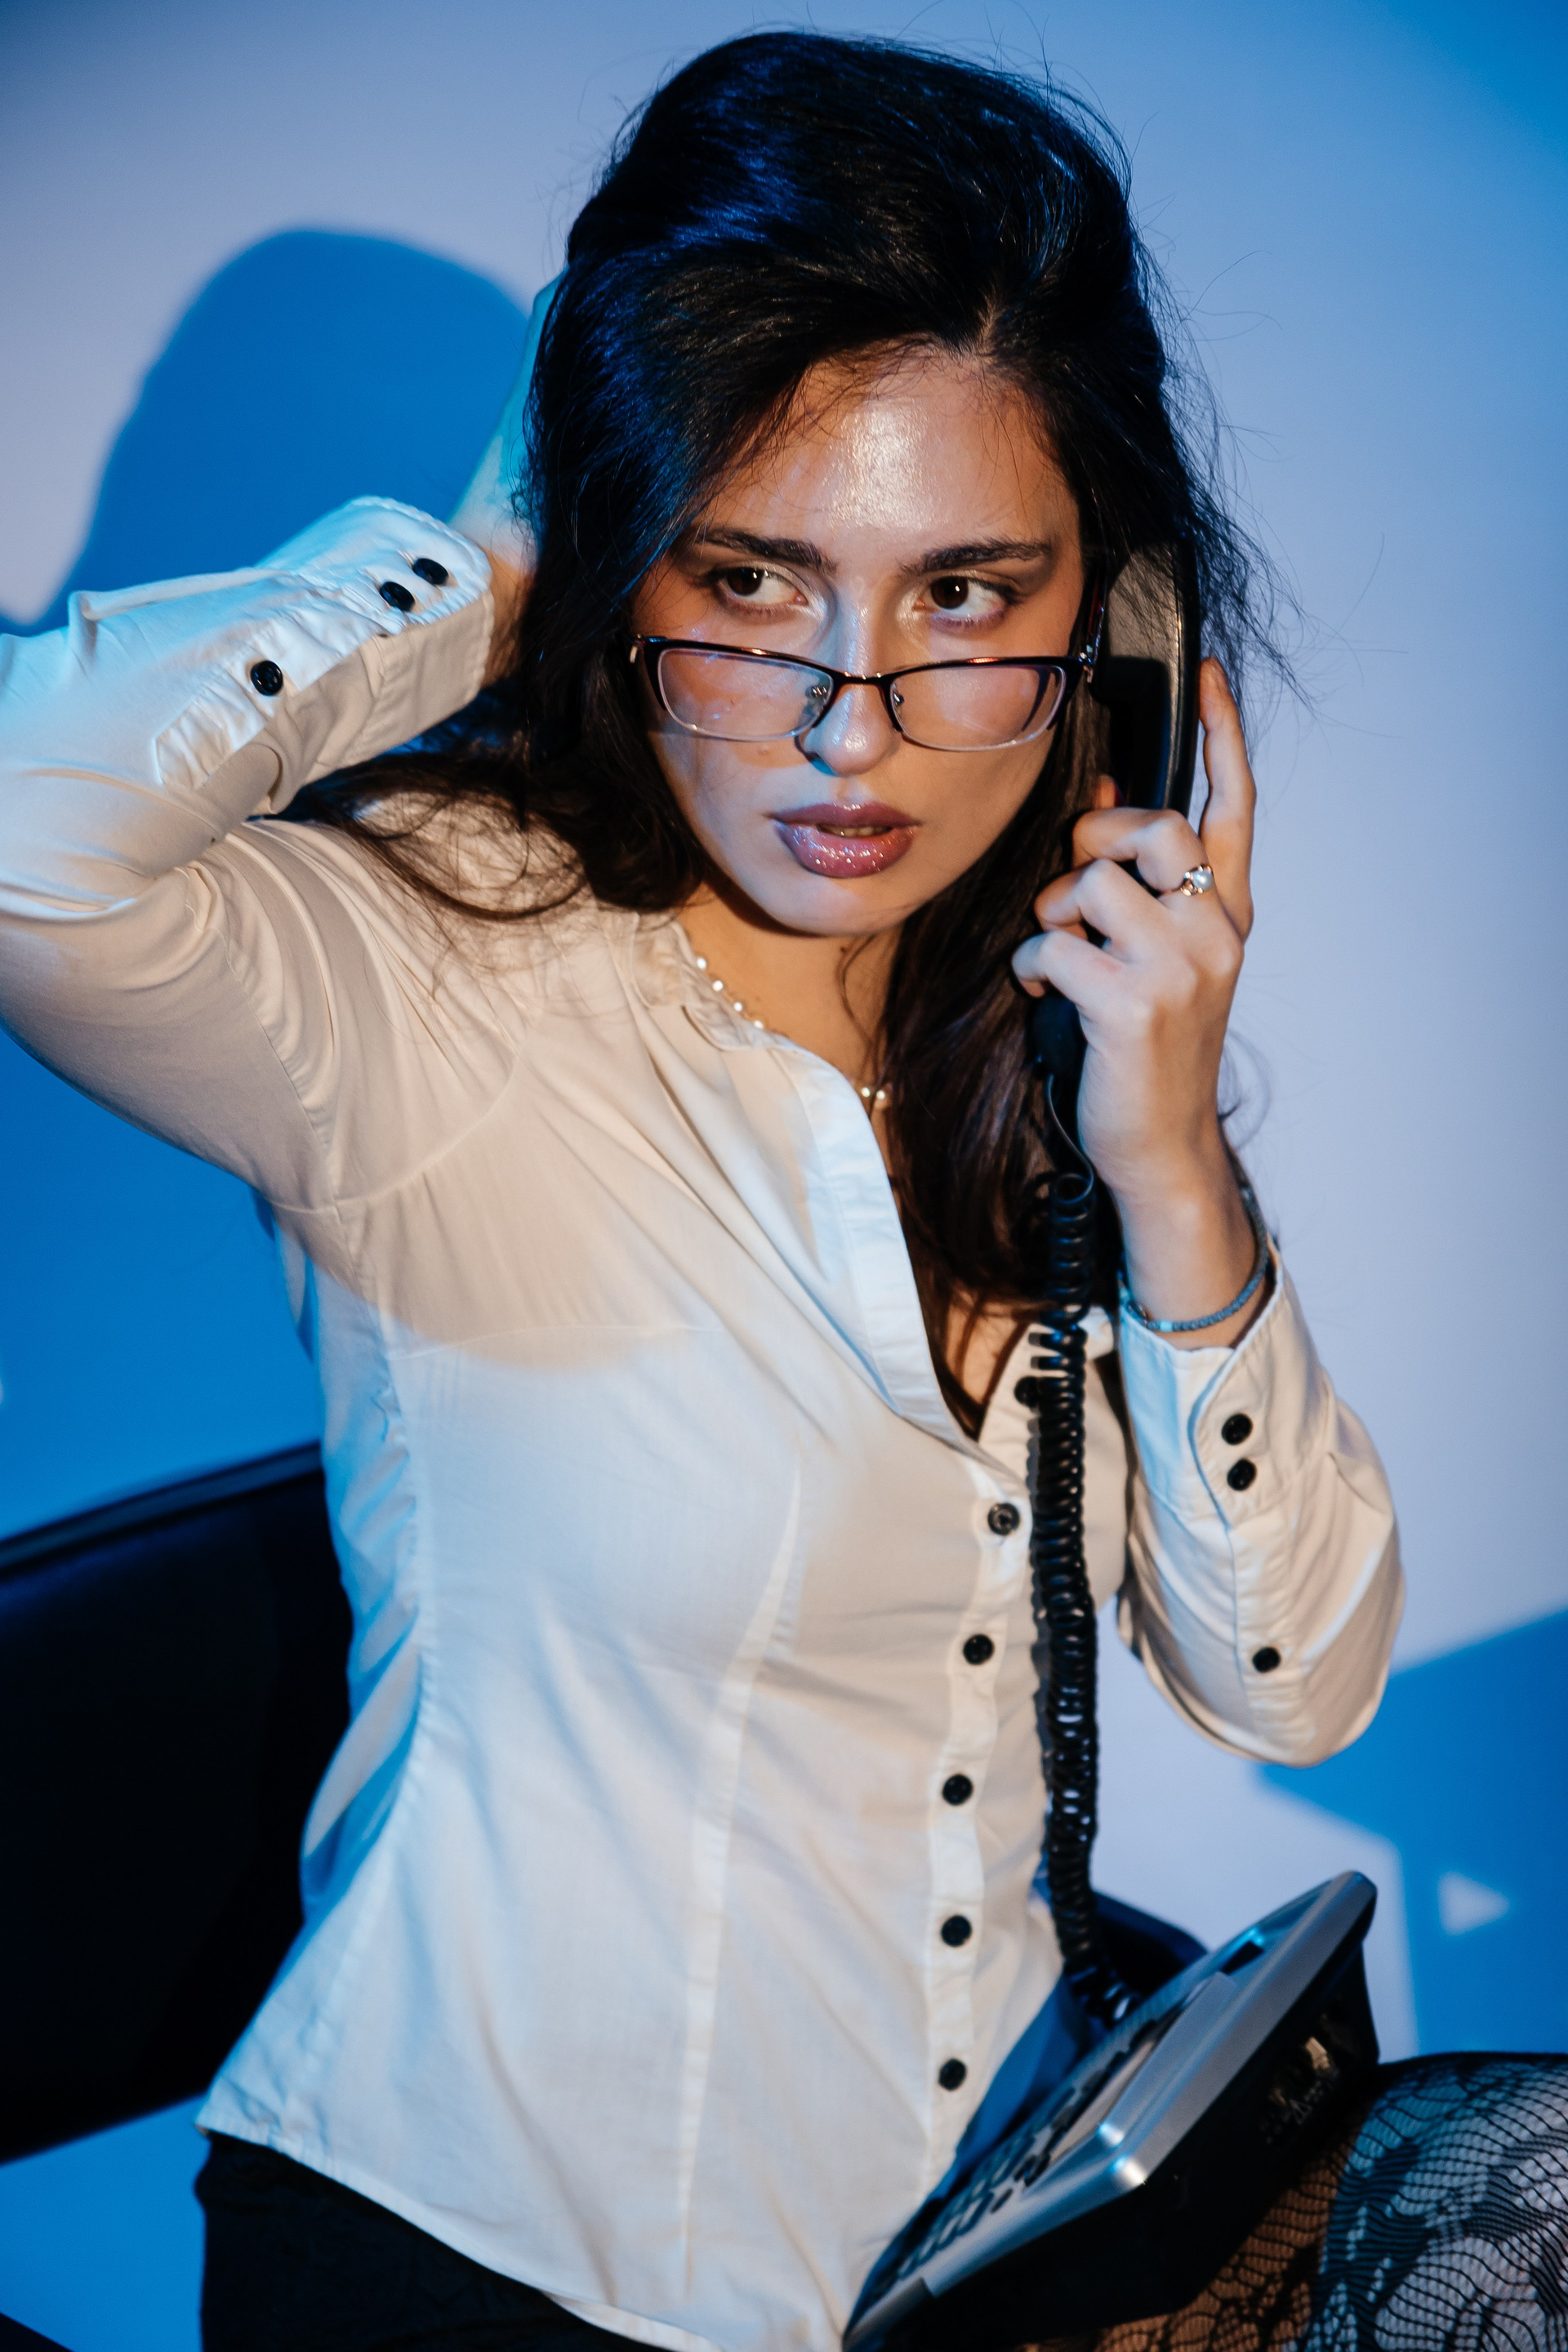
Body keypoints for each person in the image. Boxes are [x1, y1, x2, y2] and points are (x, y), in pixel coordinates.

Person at [0, 33, 1561, 2352]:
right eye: (752, 580)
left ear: (1114, 630)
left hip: (983, 2256)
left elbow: (1296, 1686)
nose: (851, 723)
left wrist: (1168, 1163)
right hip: (496, 2282)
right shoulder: (430, 967)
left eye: (966, 599)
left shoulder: (1043, 1029)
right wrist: (492, 560)